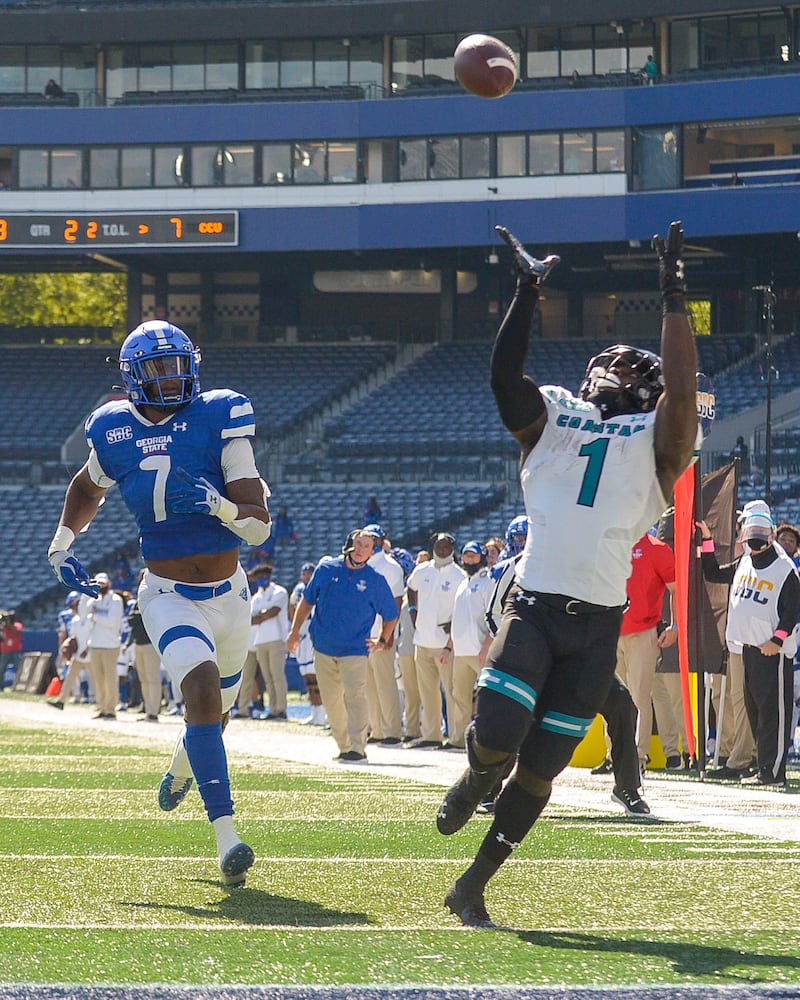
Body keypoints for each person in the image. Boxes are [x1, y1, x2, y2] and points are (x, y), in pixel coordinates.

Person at [437, 220, 698, 928]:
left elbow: (682, 388)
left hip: (597, 625)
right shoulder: (556, 418)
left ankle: (473, 884)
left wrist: (674, 292)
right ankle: (474, 772)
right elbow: (503, 378)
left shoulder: (660, 442)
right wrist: (527, 291)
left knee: (543, 768)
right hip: (538, 604)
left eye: (630, 374)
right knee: (496, 730)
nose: (616, 377)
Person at [46, 319, 272, 888]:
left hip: (230, 595)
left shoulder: (220, 416)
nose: (172, 377)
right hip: (167, 593)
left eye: (178, 365)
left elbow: (258, 530)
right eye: (158, 368)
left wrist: (218, 505)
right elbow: (86, 485)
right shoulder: (112, 428)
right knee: (198, 691)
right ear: (133, 377)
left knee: (214, 715)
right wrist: (63, 542)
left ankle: (179, 769)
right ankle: (228, 840)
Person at [698, 510, 800, 787]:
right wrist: (707, 540)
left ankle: (774, 773)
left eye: (759, 540)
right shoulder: (745, 561)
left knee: (772, 713)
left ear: (771, 537)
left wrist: (777, 639)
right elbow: (712, 573)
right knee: (755, 710)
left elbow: (793, 609)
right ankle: (763, 767)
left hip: (772, 651)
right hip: (748, 648)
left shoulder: (784, 568)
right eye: (750, 540)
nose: (754, 545)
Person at [287, 528, 398, 762]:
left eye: (367, 546)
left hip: (356, 650)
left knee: (356, 696)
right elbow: (306, 602)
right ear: (348, 545)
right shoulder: (326, 569)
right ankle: (344, 744)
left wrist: (383, 641)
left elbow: (391, 614)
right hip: (323, 647)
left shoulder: (375, 580)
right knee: (331, 700)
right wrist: (294, 632)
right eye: (358, 544)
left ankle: (357, 748)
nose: (361, 550)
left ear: (372, 551)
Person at [613, 531, 679, 772]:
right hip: (610, 631)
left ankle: (636, 757)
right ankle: (614, 755)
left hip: (643, 631)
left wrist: (675, 626)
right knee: (611, 697)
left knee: (639, 696)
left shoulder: (656, 548)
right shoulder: (611, 542)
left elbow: (676, 588)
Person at [406, 532, 466, 748]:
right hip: (422, 640)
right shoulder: (422, 570)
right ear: (432, 547)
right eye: (439, 546)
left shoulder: (459, 575)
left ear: (453, 548)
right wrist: (413, 611)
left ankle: (457, 737)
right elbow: (411, 588)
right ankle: (431, 735)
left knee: (452, 691)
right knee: (427, 691)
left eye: (447, 546)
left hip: (446, 644)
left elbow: (464, 604)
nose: (442, 550)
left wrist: (454, 624)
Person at [445, 541, 493, 751]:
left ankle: (486, 740)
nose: (469, 559)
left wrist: (487, 647)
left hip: (480, 650)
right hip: (461, 650)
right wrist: (449, 647)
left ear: (482, 556)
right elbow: (458, 619)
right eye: (466, 556)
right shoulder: (463, 583)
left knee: (487, 697)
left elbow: (494, 618)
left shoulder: (488, 581)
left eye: (473, 556)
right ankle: (458, 738)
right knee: (459, 697)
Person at [362, 524, 405, 745]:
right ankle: (376, 729)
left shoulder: (391, 567)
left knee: (385, 684)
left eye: (373, 540)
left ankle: (392, 731)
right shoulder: (361, 564)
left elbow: (396, 602)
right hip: (363, 633)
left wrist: (388, 636)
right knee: (369, 685)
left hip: (381, 631)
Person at [246, 562, 289, 720]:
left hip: (276, 638)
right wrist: (262, 615)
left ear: (269, 577)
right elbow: (252, 619)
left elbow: (273, 612)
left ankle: (282, 709)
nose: (261, 580)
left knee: (277, 676)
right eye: (259, 577)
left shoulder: (279, 592)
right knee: (268, 678)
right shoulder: (256, 597)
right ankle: (273, 709)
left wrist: (261, 615)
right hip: (260, 640)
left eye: (264, 577)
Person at [291, 561, 326, 726]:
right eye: (304, 573)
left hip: (312, 633)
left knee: (314, 674)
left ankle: (322, 711)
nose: (306, 576)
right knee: (306, 674)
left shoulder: (318, 587)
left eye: (309, 573)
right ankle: (315, 709)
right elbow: (292, 608)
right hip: (302, 634)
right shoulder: (298, 589)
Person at [86, 572, 124, 720]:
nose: (100, 586)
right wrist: (86, 593)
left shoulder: (115, 600)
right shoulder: (94, 600)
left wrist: (95, 617)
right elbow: (84, 612)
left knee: (110, 679)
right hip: (95, 643)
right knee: (98, 679)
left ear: (109, 584)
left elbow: (112, 622)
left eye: (103, 584)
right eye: (98, 584)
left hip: (110, 644)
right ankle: (101, 707)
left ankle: (111, 709)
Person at [124, 573, 162, 722]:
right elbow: (131, 620)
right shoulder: (138, 600)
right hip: (139, 642)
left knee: (153, 678)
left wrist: (138, 617)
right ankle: (147, 708)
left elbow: (148, 617)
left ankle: (154, 711)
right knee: (144, 679)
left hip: (150, 643)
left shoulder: (156, 598)